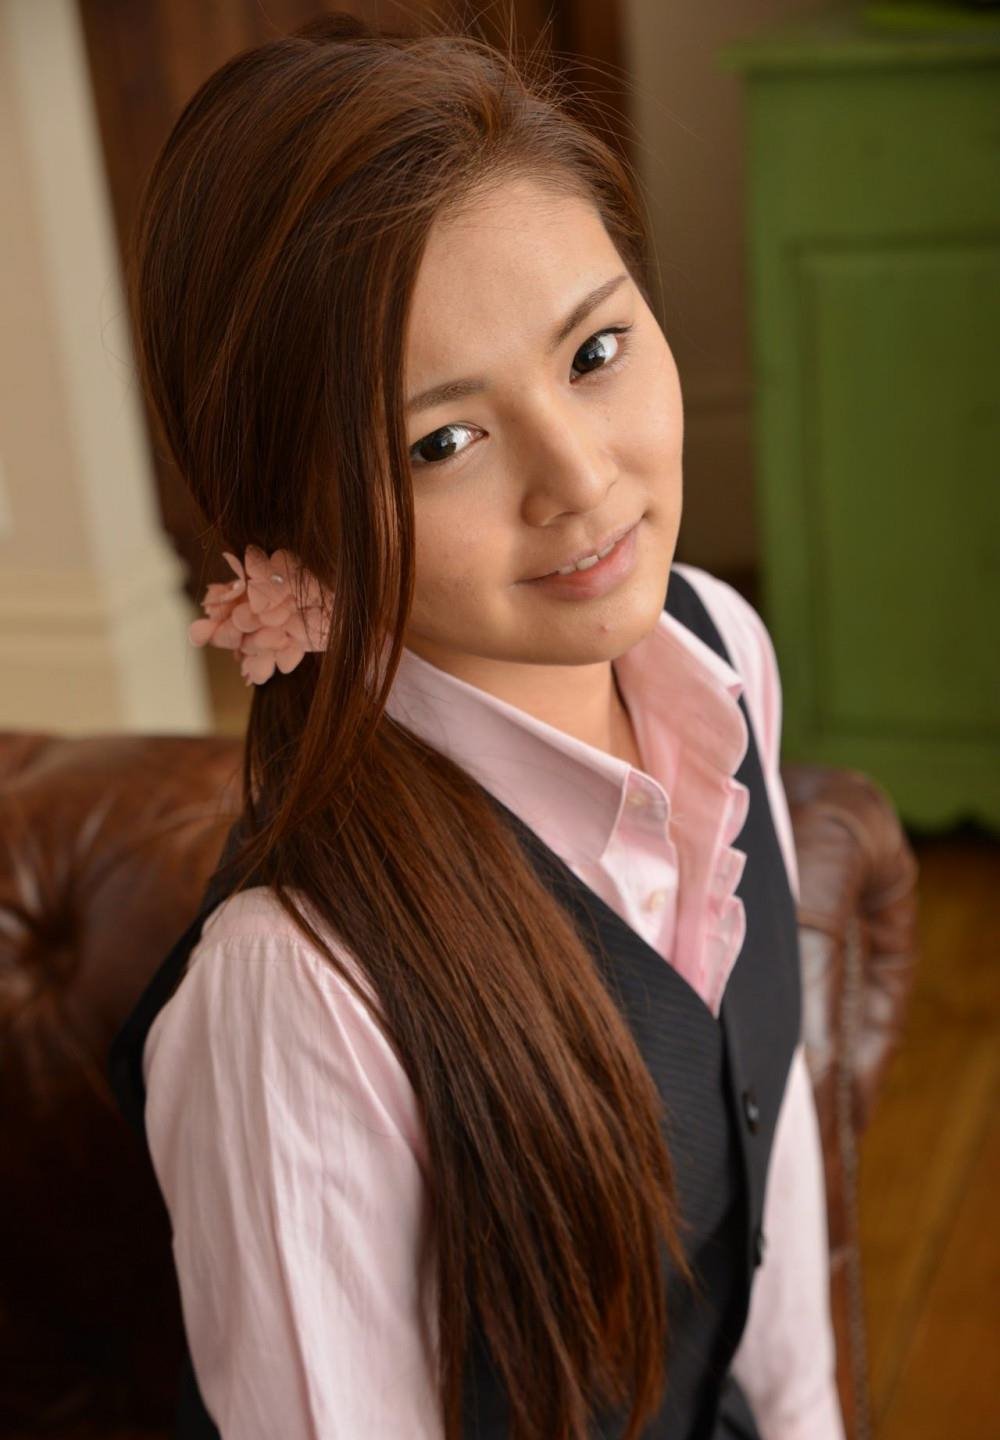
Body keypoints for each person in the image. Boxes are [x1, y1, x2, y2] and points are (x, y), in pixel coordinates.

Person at [108, 10, 845, 1439]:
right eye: (442, 441)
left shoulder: (716, 649)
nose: (580, 480)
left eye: (596, 349)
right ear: (296, 524)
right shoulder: (295, 994)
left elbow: (771, 1122)